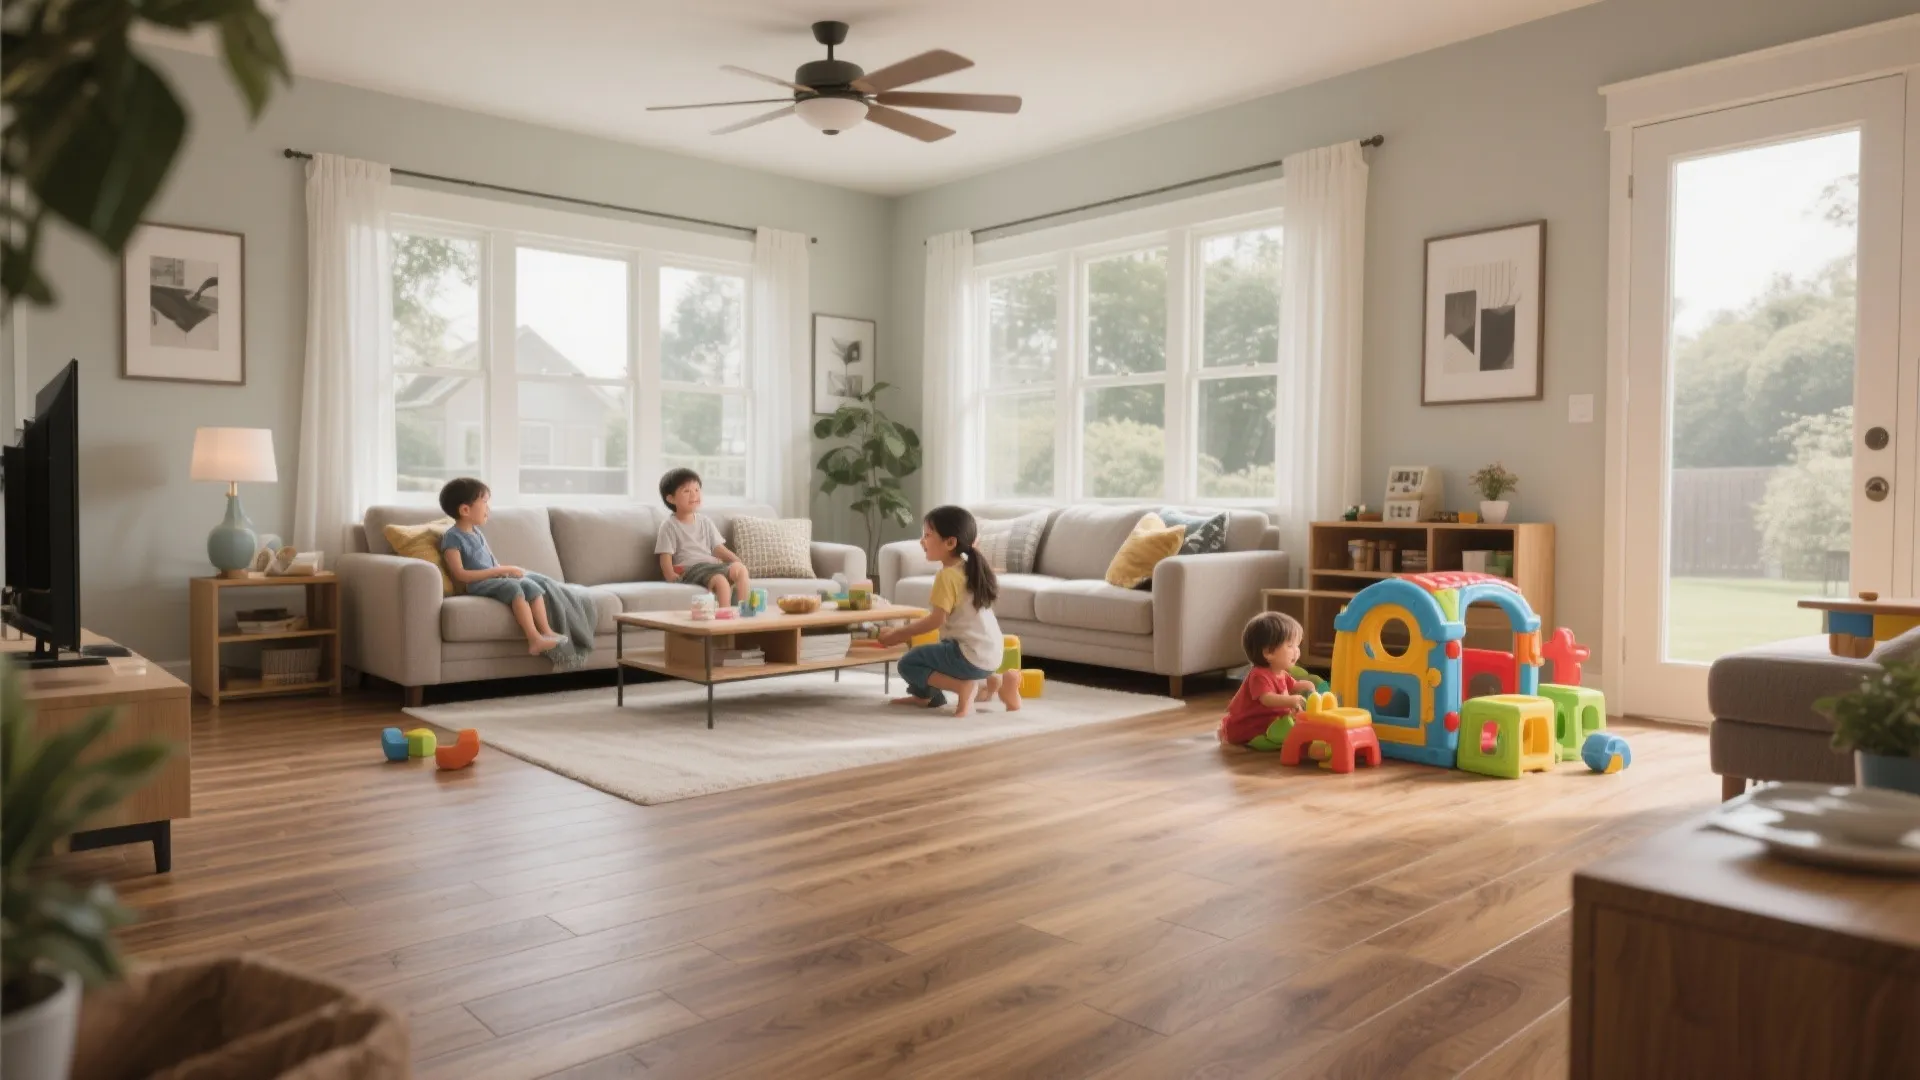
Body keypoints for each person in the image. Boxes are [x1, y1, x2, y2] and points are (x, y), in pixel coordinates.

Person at [878, 506, 1021, 717]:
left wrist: (897, 635)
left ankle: (960, 688)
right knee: (938, 649)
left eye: (927, 535)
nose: (921, 541)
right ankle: (994, 682)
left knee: (909, 662)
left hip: (969, 656)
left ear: (950, 542)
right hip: (992, 656)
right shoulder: (971, 568)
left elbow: (935, 620)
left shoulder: (946, 576)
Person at [437, 477, 565, 656]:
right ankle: (534, 638)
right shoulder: (452, 538)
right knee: (514, 588)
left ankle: (546, 631)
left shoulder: (476, 533)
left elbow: (491, 560)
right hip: (476, 584)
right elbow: (461, 574)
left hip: (493, 579)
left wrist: (504, 572)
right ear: (465, 509)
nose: (488, 508)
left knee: (530, 585)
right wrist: (502, 571)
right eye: (484, 502)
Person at [655, 468, 751, 607]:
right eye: (687, 491)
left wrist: (736, 560)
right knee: (721, 581)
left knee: (740, 569)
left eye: (697, 489)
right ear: (671, 498)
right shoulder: (669, 525)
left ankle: (745, 610)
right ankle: (724, 618)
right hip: (690, 569)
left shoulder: (705, 521)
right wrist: (670, 575)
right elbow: (665, 556)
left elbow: (718, 548)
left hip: (711, 566)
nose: (694, 495)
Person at [1219, 611, 1311, 749]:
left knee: (1296, 723)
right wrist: (1291, 700)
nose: (1296, 651)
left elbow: (1293, 686)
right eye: (1290, 645)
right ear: (1269, 653)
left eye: (1297, 646)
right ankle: (1230, 732)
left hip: (1270, 721)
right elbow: (1267, 699)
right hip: (1250, 726)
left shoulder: (1281, 673)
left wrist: (1306, 685)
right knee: (1290, 732)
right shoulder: (1258, 675)